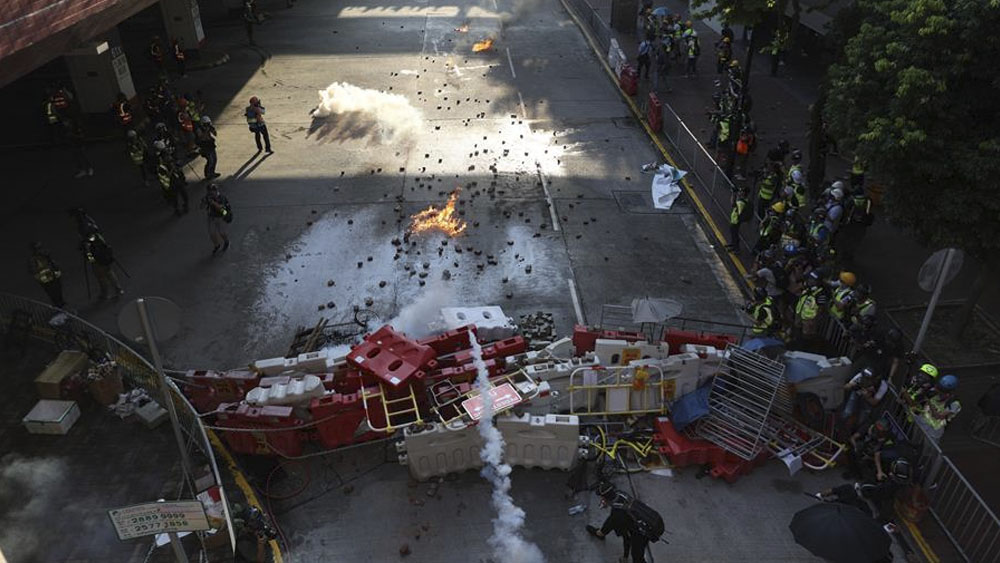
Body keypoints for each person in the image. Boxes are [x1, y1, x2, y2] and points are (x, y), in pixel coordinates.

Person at [586, 482, 649, 563]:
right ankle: (601, 533)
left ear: (604, 498)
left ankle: (601, 534)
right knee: (612, 519)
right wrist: (608, 503)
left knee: (637, 557)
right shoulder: (621, 494)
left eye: (601, 497)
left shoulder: (618, 515)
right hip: (645, 519)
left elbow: (627, 538)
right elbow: (612, 519)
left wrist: (625, 558)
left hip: (642, 533)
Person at [841, 367, 889, 433]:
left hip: (869, 400)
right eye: (865, 378)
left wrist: (867, 397)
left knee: (862, 418)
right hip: (857, 393)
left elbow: (874, 402)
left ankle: (854, 431)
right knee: (847, 412)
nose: (865, 379)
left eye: (868, 379)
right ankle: (841, 426)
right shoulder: (860, 376)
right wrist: (852, 385)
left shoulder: (882, 386)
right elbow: (847, 386)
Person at [915, 375, 961, 442]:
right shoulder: (935, 392)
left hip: (934, 431)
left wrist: (929, 403)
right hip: (922, 423)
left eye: (942, 391)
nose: (939, 392)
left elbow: (938, 416)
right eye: (939, 389)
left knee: (927, 450)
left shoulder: (954, 404)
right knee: (914, 442)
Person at [82, 231, 123, 300]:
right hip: (106, 260)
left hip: (98, 263)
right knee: (110, 274)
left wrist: (87, 251)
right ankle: (118, 289)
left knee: (101, 278)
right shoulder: (99, 237)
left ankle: (105, 294)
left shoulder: (89, 244)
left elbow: (91, 258)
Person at [28, 242, 65, 308]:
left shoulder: (47, 255)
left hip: (54, 276)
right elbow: (33, 270)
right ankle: (57, 305)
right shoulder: (33, 259)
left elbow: (55, 263)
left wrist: (55, 266)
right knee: (52, 293)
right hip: (45, 280)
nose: (40, 250)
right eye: (38, 248)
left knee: (58, 290)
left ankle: (61, 302)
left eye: (40, 248)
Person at [202, 184, 232, 254]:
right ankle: (217, 245)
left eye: (212, 192)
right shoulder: (208, 197)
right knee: (212, 233)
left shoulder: (222, 198)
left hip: (220, 217)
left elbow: (222, 210)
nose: (211, 194)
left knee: (221, 232)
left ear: (215, 191)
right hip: (211, 218)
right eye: (209, 192)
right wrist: (204, 202)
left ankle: (226, 241)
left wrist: (213, 203)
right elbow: (201, 207)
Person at [727, 187, 750, 251]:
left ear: (744, 193)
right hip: (735, 220)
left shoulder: (741, 202)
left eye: (741, 191)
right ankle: (732, 244)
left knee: (734, 234)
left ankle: (736, 248)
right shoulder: (743, 200)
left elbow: (733, 205)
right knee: (734, 234)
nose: (739, 192)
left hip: (735, 220)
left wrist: (733, 194)